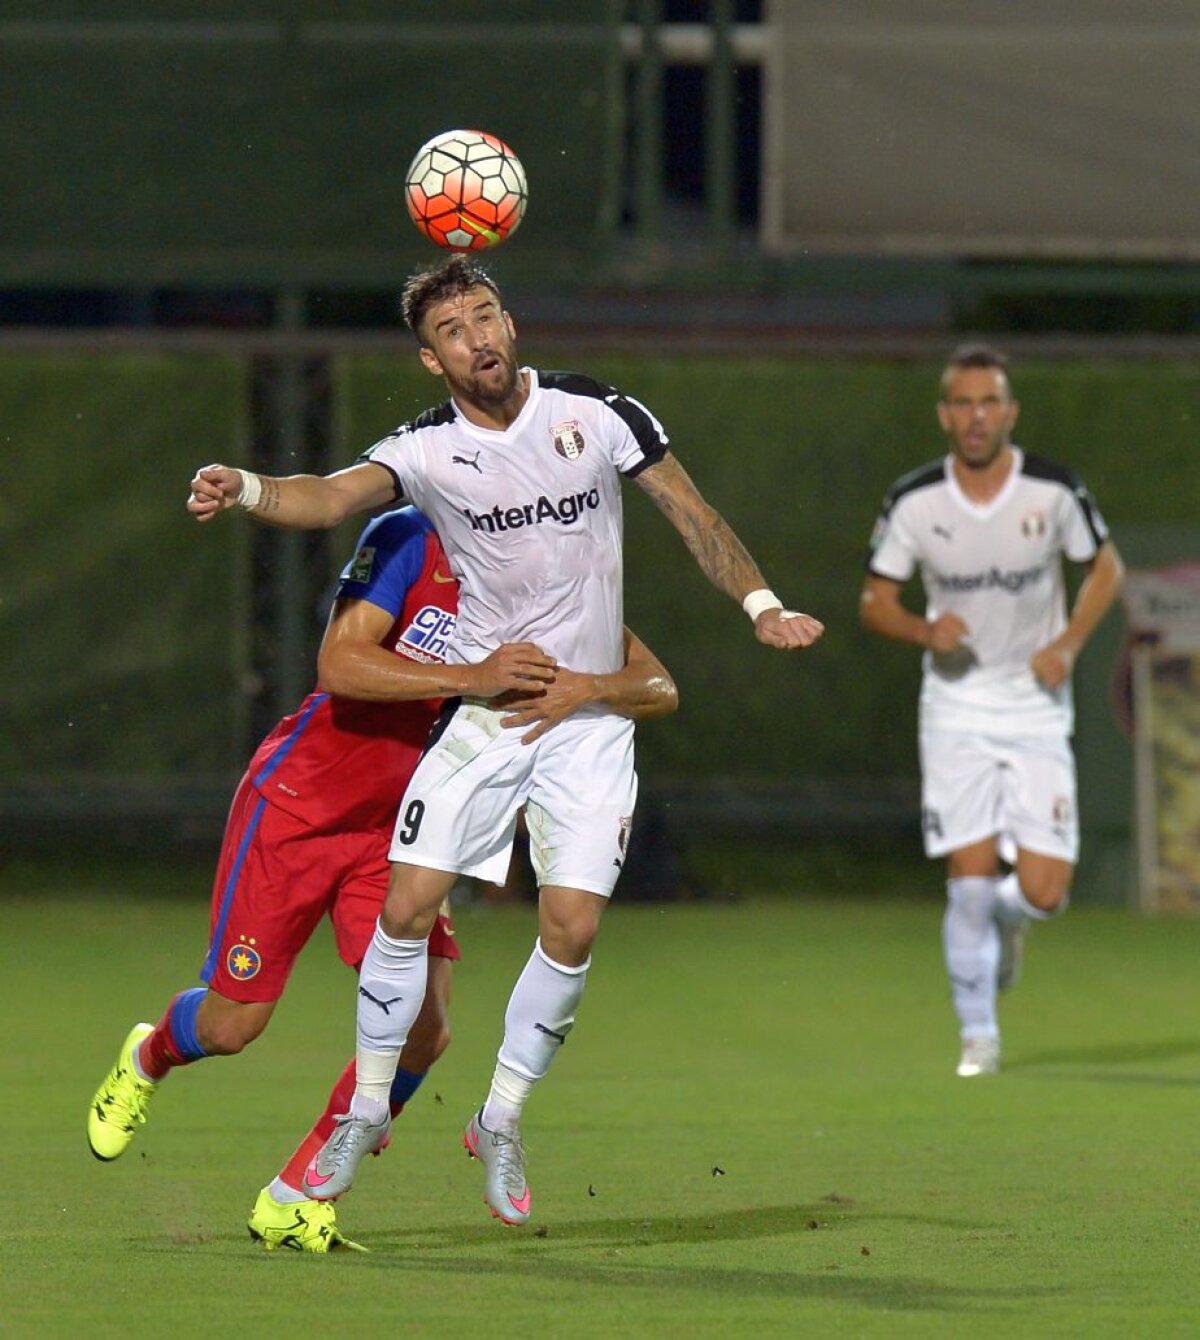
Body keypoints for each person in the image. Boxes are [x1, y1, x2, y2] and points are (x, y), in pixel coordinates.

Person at [186, 253, 824, 1224]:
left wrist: (763, 606)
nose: (476, 338)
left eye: (485, 316)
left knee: (572, 927)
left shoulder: (595, 412)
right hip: (490, 708)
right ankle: (364, 1110)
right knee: (408, 904)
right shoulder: (427, 449)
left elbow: (692, 513)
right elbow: (326, 495)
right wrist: (244, 486)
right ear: (431, 358)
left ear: (510, 322)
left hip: (585, 723)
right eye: (453, 330)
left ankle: (501, 1118)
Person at [86, 503, 679, 1252]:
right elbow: (339, 664)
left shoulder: (544, 565)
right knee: (233, 1026)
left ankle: (295, 1194)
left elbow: (655, 683)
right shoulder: (407, 535)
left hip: (399, 832)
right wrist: (475, 675)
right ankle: (149, 1056)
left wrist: (584, 689)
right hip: (298, 807)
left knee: (425, 1030)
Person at [860, 343, 1124, 1078]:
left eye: (989, 403)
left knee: (1045, 892)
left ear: (1010, 413)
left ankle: (1012, 921)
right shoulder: (915, 500)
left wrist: (1068, 644)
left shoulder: (1053, 490)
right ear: (945, 415)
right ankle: (978, 1034)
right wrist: (924, 630)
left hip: (1036, 708)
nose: (976, 416)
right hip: (956, 708)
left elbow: (1106, 567)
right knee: (969, 878)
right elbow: (874, 601)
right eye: (963, 403)